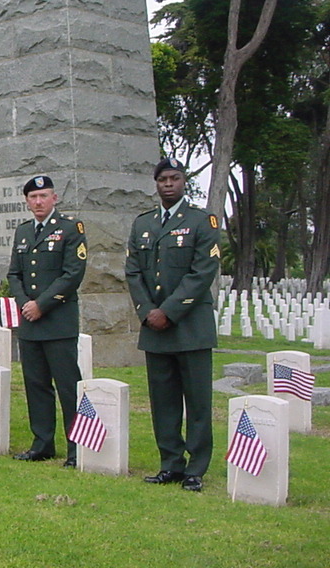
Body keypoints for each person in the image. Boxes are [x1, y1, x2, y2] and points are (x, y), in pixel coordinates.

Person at [126, 157, 220, 493]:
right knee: (163, 401)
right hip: (154, 327)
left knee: (197, 403)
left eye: (175, 178)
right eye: (163, 179)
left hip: (190, 326)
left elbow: (202, 272)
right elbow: (133, 271)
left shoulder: (201, 220)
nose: (168, 184)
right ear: (156, 183)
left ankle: (196, 468)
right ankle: (170, 464)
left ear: (184, 182)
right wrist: (148, 311)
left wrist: (168, 310)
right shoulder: (143, 224)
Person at [7, 176, 87, 466]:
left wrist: (41, 305)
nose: (38, 202)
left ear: (54, 198)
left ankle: (77, 448)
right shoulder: (25, 231)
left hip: (58, 321)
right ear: (27, 201)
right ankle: (42, 444)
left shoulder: (70, 228)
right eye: (32, 197)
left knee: (67, 386)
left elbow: (72, 274)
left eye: (43, 196)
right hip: (30, 322)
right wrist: (24, 304)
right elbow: (14, 274)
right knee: (36, 385)